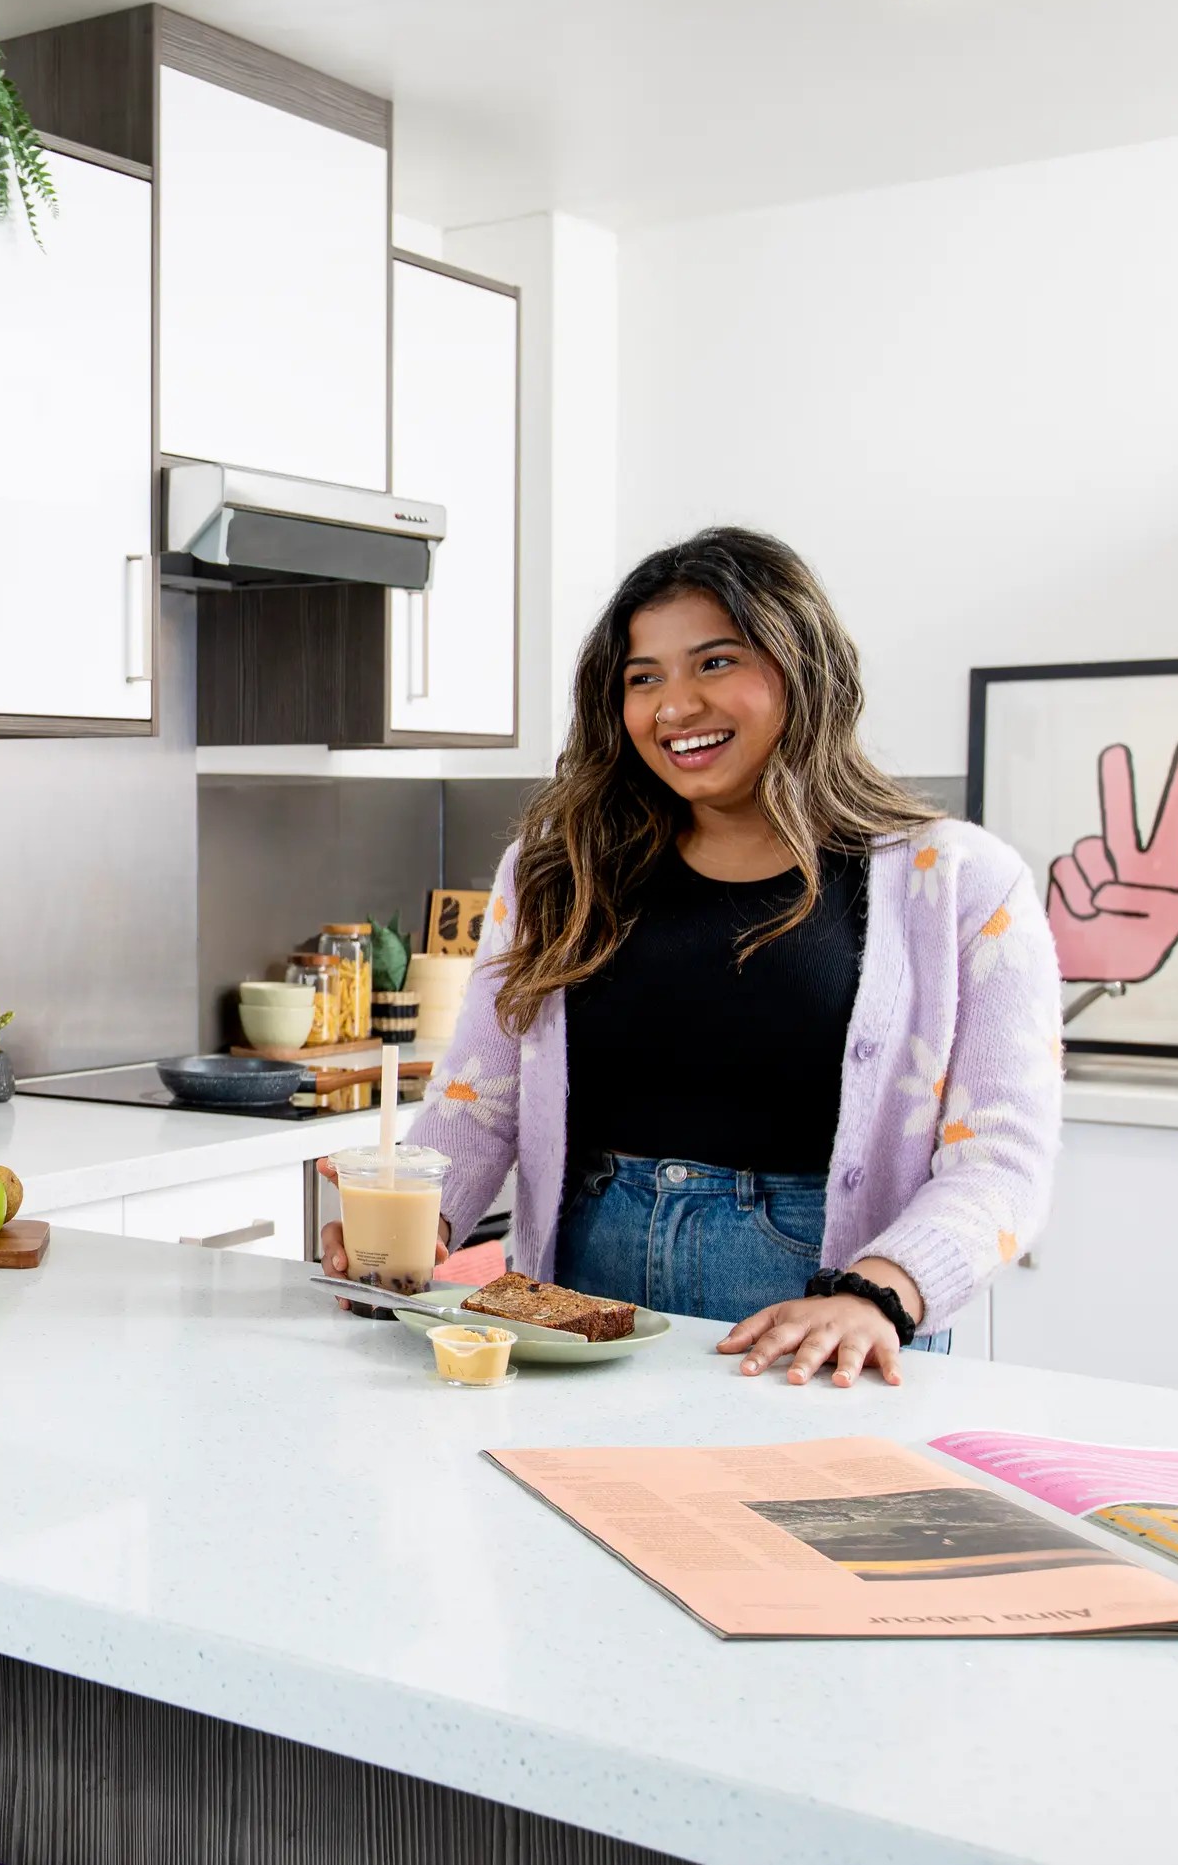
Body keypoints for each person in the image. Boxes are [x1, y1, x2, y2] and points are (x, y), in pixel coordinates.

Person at [328, 528, 1062, 1387]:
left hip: (820, 1322)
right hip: (580, 1310)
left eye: (715, 662)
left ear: (803, 665)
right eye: (644, 678)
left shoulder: (963, 882)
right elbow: (479, 1097)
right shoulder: (556, 868)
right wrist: (423, 1225)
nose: (673, 707)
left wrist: (879, 1291)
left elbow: (1002, 1162)